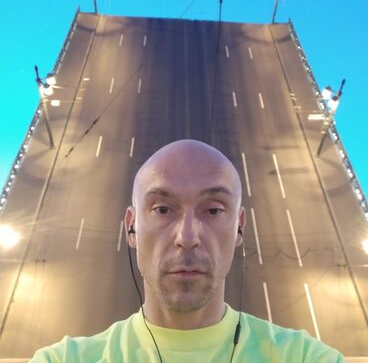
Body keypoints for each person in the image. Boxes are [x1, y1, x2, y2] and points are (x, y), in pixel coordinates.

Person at [31, 139, 344, 362]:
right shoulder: (62, 360)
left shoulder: (304, 357)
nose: (187, 237)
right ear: (132, 227)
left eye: (214, 210)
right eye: (163, 209)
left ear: (239, 227)